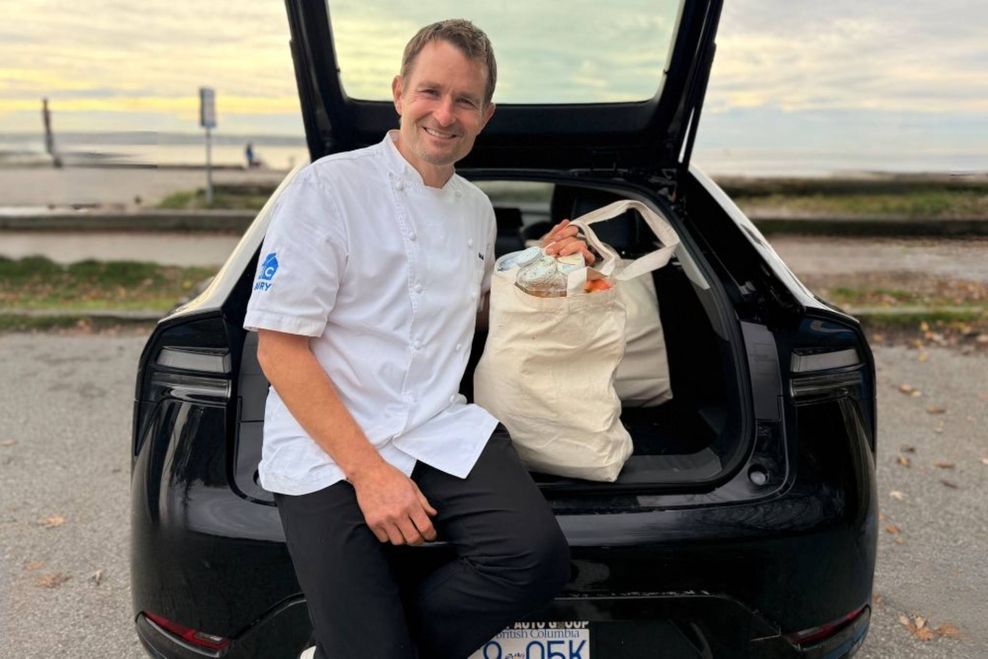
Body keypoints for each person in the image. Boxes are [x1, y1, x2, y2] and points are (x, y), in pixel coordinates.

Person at [243, 19, 593, 659]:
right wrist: (370, 475)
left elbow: (474, 312)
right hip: (328, 443)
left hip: (434, 424)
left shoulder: (476, 209)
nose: (445, 114)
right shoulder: (328, 188)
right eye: (431, 92)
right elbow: (279, 349)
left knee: (535, 561)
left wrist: (542, 266)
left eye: (465, 100)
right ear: (400, 92)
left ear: (486, 115)